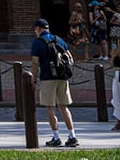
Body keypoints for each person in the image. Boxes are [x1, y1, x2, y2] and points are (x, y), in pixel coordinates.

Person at [29, 16, 81, 147]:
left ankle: (56, 137)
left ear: (39, 29)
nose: (35, 31)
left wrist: (33, 79)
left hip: (48, 77)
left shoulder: (38, 42)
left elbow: (35, 63)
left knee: (50, 108)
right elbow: (70, 57)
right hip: (62, 77)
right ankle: (72, 136)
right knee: (64, 107)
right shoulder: (59, 39)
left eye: (35, 29)